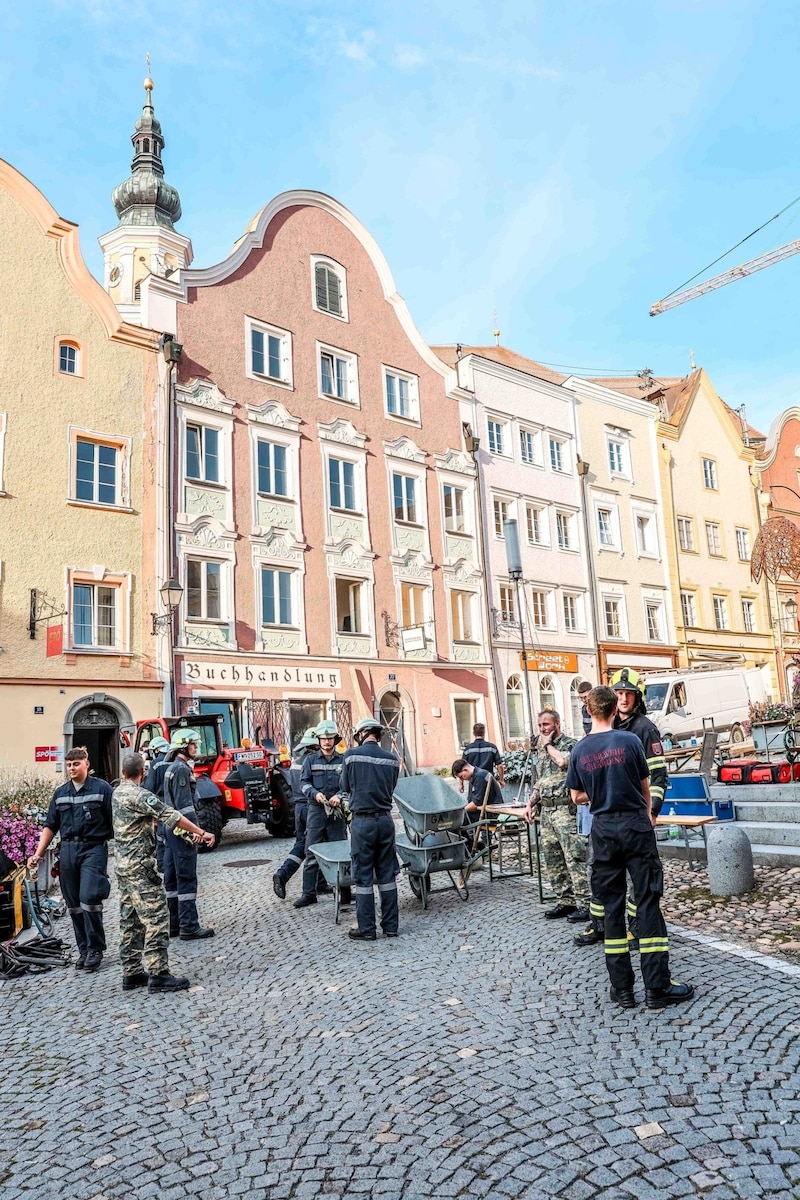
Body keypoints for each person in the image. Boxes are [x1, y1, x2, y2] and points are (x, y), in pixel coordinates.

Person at [566, 685, 694, 1010]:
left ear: (590, 711)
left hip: (604, 829)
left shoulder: (580, 750)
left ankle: (622, 990)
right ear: (613, 710)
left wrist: (599, 792)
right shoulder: (630, 741)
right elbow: (645, 784)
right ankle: (657, 987)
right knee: (648, 901)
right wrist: (647, 813)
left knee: (612, 908)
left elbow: (576, 797)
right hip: (636, 824)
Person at [574, 668, 668, 947]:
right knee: (599, 874)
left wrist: (652, 812)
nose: (624, 698)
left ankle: (638, 928)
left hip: (635, 818)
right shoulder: (605, 728)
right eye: (620, 693)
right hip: (603, 818)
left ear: (637, 697)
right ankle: (600, 925)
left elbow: (657, 776)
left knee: (640, 880)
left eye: (629, 693)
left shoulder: (644, 730)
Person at [112, 752, 214, 993]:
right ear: (143, 773)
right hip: (140, 867)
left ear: (123, 773)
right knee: (157, 919)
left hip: (122, 866)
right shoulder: (140, 795)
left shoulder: (117, 792)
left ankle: (132, 972)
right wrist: (201, 832)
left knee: (130, 919)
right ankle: (159, 974)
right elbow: (172, 816)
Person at [27, 747, 113, 973]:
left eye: (76, 764)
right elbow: (50, 826)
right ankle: (83, 949)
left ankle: (96, 948)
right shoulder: (61, 793)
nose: (72, 768)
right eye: (69, 765)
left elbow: (116, 822)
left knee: (90, 898)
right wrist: (37, 854)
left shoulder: (102, 789)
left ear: (87, 764)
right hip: (68, 850)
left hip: (93, 848)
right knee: (74, 904)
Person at [523, 709, 589, 922]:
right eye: (540, 725)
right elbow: (540, 780)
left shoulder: (571, 745)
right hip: (548, 812)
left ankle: (586, 903)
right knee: (553, 859)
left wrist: (548, 745)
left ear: (557, 724)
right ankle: (566, 900)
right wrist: (531, 802)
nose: (542, 729)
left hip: (565, 810)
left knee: (574, 857)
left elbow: (562, 762)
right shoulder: (542, 751)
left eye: (546, 725)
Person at [341, 718, 400, 941]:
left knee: (364, 876)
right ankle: (391, 927)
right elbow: (392, 787)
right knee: (387, 874)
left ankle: (367, 929)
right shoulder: (392, 759)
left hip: (362, 822)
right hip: (385, 821)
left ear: (362, 733)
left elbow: (345, 787)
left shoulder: (351, 756)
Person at [162, 730, 215, 940]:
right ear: (184, 747)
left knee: (172, 879)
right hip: (182, 832)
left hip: (170, 831)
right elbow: (185, 806)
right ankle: (189, 926)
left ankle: (174, 924)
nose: (196, 748)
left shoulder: (171, 768)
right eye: (194, 744)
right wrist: (197, 831)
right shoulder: (182, 770)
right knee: (186, 878)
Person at [293, 720, 348, 910]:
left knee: (340, 850)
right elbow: (304, 783)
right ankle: (309, 894)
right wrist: (315, 794)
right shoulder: (310, 760)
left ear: (335, 739)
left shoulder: (343, 760)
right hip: (316, 810)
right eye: (324, 739)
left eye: (330, 738)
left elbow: (348, 785)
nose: (327, 742)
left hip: (336, 812)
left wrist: (339, 796)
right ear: (319, 740)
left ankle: (344, 893)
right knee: (312, 851)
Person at [272, 728, 330, 900]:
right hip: (312, 808)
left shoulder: (296, 762)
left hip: (299, 808)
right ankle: (284, 875)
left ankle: (318, 883)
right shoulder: (313, 762)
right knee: (318, 844)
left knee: (303, 844)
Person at [451, 758, 502, 841]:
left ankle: (468, 847)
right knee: (456, 821)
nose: (463, 779)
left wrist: (461, 811)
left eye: (461, 776)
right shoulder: (479, 774)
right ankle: (470, 845)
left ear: (465, 770)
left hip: (489, 813)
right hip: (486, 810)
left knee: (454, 822)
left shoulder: (479, 777)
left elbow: (476, 803)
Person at [142, 735, 171, 872]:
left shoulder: (156, 764)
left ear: (156, 750)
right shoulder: (176, 761)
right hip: (176, 803)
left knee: (161, 836)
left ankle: (163, 865)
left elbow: (150, 787)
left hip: (161, 804)